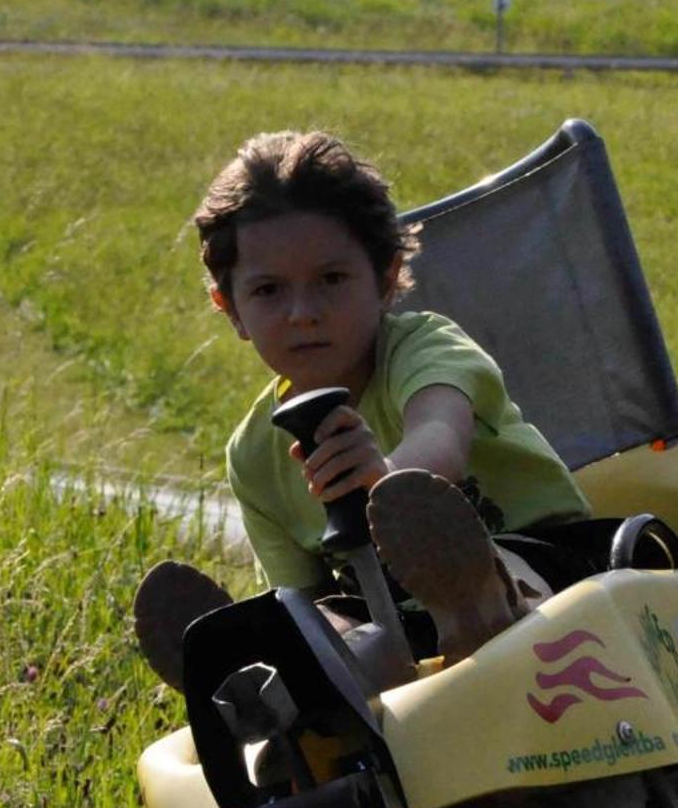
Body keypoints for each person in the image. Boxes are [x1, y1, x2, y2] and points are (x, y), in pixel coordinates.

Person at [134, 129, 593, 690]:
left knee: (493, 569)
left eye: (331, 280)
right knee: (332, 627)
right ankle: (253, 682)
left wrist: (388, 480)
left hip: (556, 578)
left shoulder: (425, 347)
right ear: (229, 308)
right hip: (405, 621)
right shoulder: (255, 455)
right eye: (269, 291)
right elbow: (305, 593)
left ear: (384, 277)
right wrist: (313, 627)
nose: (303, 312)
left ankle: (483, 609)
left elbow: (440, 435)